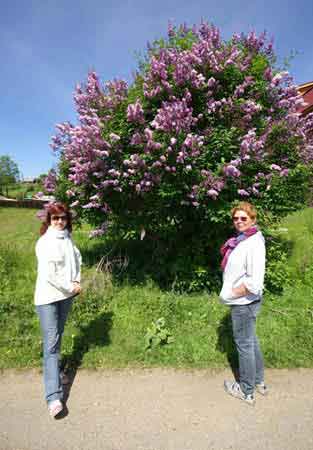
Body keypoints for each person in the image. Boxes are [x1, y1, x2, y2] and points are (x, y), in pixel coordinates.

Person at [35, 202, 82, 417]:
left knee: (58, 337)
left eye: (63, 218)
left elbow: (77, 260)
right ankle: (53, 397)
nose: (60, 221)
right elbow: (49, 275)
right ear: (49, 220)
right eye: (55, 218)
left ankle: (56, 373)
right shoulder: (45, 242)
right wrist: (71, 286)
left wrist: (76, 281)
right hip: (48, 299)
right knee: (51, 345)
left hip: (66, 296)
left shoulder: (68, 239)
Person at [219, 201, 267, 406]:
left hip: (243, 302)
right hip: (246, 301)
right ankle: (258, 381)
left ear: (252, 219)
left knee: (244, 344)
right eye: (236, 218)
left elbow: (254, 282)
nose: (239, 221)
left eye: (243, 218)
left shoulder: (253, 243)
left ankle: (246, 390)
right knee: (251, 340)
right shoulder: (244, 239)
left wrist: (230, 294)